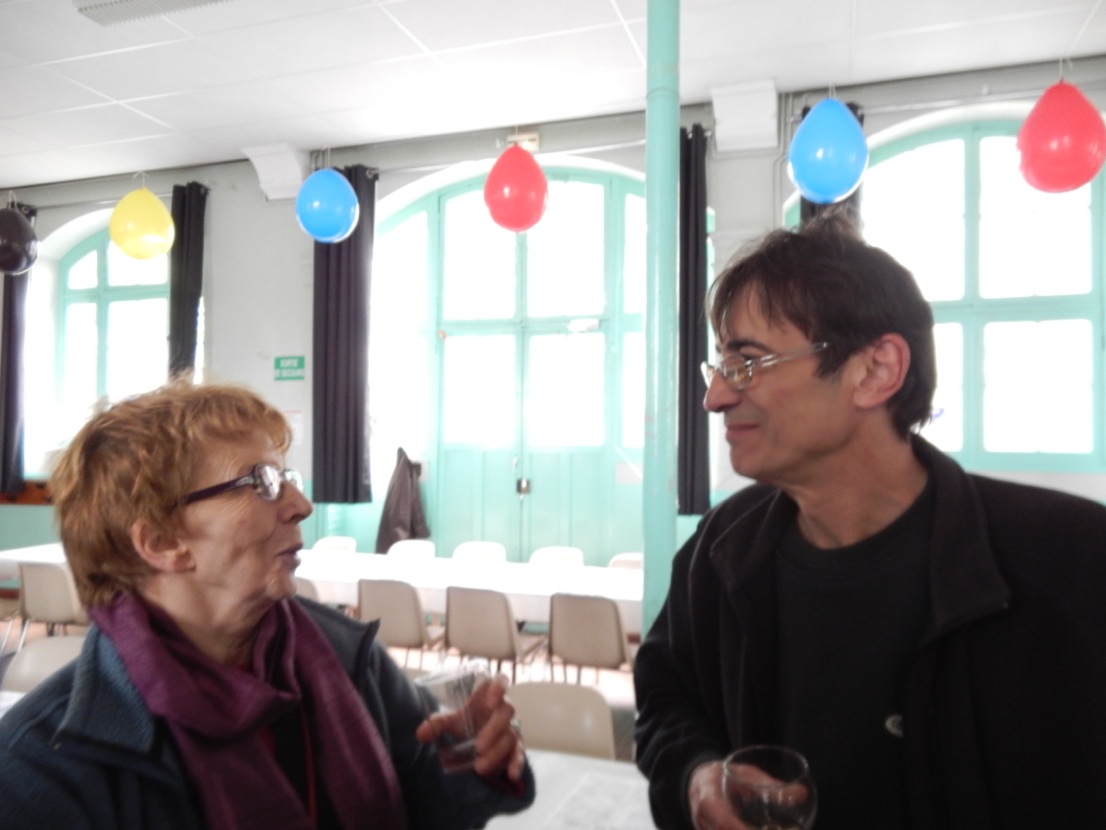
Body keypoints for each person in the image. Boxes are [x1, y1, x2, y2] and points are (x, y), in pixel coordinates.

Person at [633, 212, 1106, 830]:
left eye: (747, 362)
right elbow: (666, 699)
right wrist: (697, 774)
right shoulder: (720, 551)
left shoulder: (1071, 562)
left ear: (876, 370)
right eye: (719, 367)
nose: (715, 396)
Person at [0, 378, 534, 829]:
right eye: (261, 483)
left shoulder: (346, 655)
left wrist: (475, 762)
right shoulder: (42, 766)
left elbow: (426, 807)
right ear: (162, 542)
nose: (301, 505)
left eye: (286, 479)